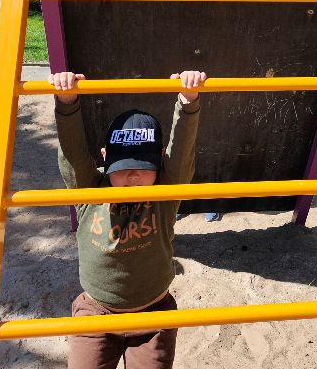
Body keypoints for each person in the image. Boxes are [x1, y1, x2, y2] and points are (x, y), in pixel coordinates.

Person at [49, 68, 207, 369]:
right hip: (96, 311)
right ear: (105, 156)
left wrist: (188, 102)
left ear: (159, 160)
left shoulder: (164, 193)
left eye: (143, 166)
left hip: (153, 314)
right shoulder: (89, 190)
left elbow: (182, 155)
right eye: (121, 167)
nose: (133, 175)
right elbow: (72, 156)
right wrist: (67, 103)